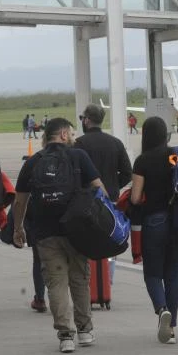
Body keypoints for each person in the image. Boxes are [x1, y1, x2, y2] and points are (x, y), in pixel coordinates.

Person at [11, 117, 105, 353]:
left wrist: (18, 228)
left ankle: (65, 336)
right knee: (79, 279)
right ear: (63, 134)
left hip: (45, 233)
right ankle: (84, 331)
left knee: (56, 283)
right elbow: (99, 189)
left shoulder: (33, 162)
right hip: (76, 231)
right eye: (71, 133)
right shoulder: (78, 157)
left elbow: (20, 199)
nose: (73, 136)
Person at [129, 116, 178, 345]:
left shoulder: (143, 161)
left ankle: (162, 309)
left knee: (153, 274)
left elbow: (136, 198)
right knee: (173, 275)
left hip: (155, 222)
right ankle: (172, 329)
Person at [75, 103, 133, 284]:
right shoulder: (115, 143)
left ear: (88, 120)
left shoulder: (80, 144)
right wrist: (114, 186)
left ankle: (89, 284)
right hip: (110, 202)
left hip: (86, 202)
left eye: (82, 118)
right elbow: (127, 172)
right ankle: (107, 282)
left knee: (85, 242)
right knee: (109, 240)